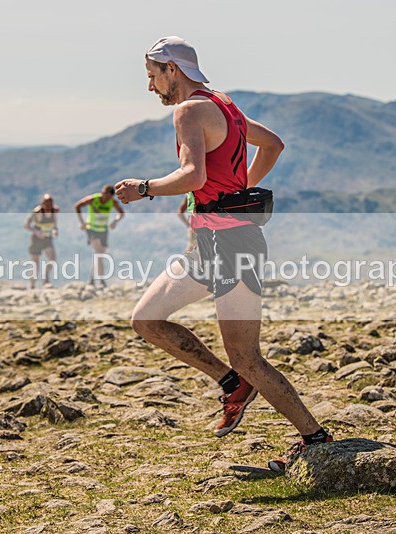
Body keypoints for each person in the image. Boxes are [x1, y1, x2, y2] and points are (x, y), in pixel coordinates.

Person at [115, 36, 332, 472]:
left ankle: (315, 438)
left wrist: (143, 188)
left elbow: (193, 174)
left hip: (231, 247)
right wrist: (232, 193)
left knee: (248, 356)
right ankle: (231, 383)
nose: (151, 86)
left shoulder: (189, 109)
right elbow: (273, 144)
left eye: (152, 76)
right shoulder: (225, 105)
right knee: (146, 318)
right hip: (209, 245)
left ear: (171, 70)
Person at [74, 185, 125, 286]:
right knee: (98, 253)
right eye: (103, 193)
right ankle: (100, 280)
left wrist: (115, 221)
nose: (103, 196)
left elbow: (121, 213)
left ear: (111, 196)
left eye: (106, 195)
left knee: (100, 255)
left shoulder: (112, 202)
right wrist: (82, 222)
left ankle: (92, 279)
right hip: (92, 229)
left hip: (103, 230)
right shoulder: (93, 199)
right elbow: (77, 206)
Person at [24, 194, 59, 288]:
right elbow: (26, 225)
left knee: (52, 259)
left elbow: (54, 224)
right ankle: (32, 286)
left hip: (47, 238)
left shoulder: (54, 211)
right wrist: (36, 232)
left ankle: (46, 277)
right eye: (46, 204)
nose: (48, 206)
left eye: (50, 204)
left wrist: (55, 231)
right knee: (35, 263)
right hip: (36, 240)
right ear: (43, 204)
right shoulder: (37, 212)